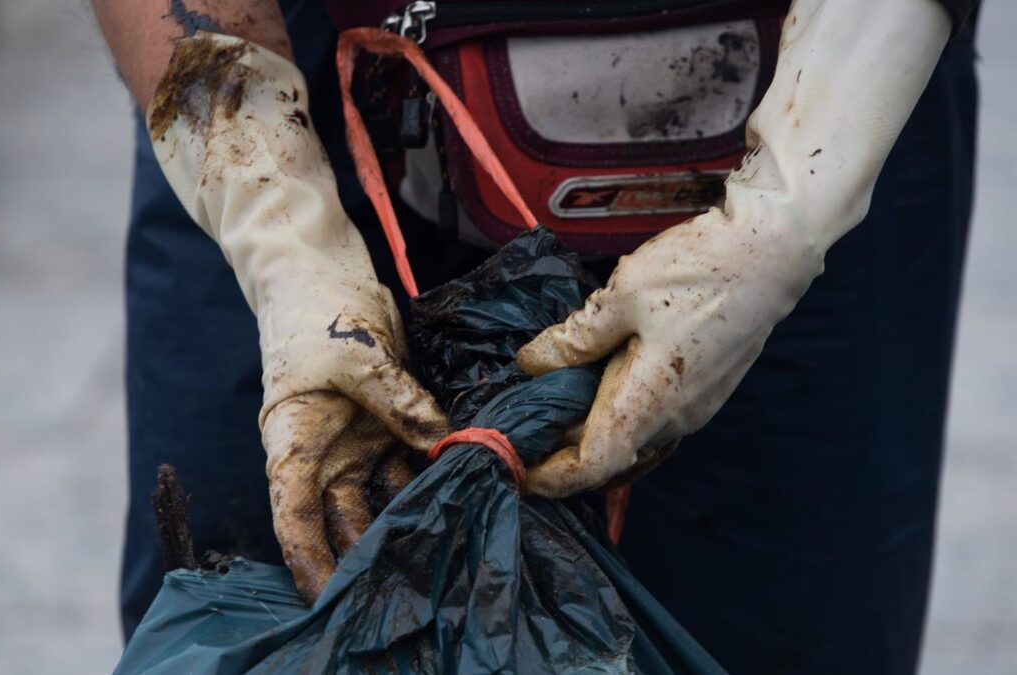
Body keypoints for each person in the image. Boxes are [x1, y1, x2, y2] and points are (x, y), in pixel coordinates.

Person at [90, 1, 979, 672]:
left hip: (822, 78)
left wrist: (788, 211)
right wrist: (279, 237)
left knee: (781, 628)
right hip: (287, 91)